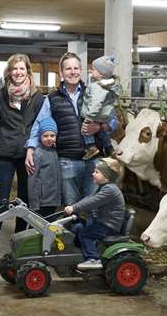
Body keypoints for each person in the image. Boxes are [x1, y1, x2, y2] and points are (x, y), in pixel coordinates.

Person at [25, 52, 119, 207]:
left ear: (81, 70)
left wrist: (100, 126)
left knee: (92, 206)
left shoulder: (96, 91)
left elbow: (114, 120)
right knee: (70, 208)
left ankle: (88, 232)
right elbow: (39, 124)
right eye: (68, 69)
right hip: (67, 161)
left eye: (76, 68)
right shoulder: (52, 98)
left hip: (94, 162)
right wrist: (30, 148)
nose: (73, 72)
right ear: (61, 73)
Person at [0, 53, 45, 262]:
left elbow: (40, 125)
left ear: (28, 71)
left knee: (25, 199)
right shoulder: (0, 96)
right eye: (14, 69)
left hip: (28, 154)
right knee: (1, 198)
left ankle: (20, 242)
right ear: (9, 72)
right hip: (5, 153)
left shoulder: (37, 97)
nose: (18, 73)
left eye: (22, 69)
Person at [64, 157, 125, 270]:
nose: (93, 174)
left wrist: (74, 207)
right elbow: (89, 198)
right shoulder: (104, 187)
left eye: (97, 172)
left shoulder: (110, 190)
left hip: (108, 225)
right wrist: (74, 207)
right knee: (77, 227)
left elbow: (92, 202)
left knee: (85, 234)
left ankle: (93, 258)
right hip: (102, 221)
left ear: (106, 176)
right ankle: (81, 252)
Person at [81, 55, 122, 160]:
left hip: (95, 114)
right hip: (104, 115)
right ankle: (109, 148)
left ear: (101, 73)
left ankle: (91, 147)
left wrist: (90, 117)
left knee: (86, 129)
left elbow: (96, 102)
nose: (91, 70)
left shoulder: (97, 86)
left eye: (94, 69)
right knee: (102, 133)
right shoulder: (109, 87)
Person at [27, 117, 61, 216]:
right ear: (40, 136)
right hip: (41, 202)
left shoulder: (55, 151)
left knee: (48, 227)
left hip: (53, 200)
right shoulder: (37, 154)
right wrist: (34, 204)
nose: (49, 138)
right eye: (45, 136)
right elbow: (32, 180)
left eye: (52, 135)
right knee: (36, 228)